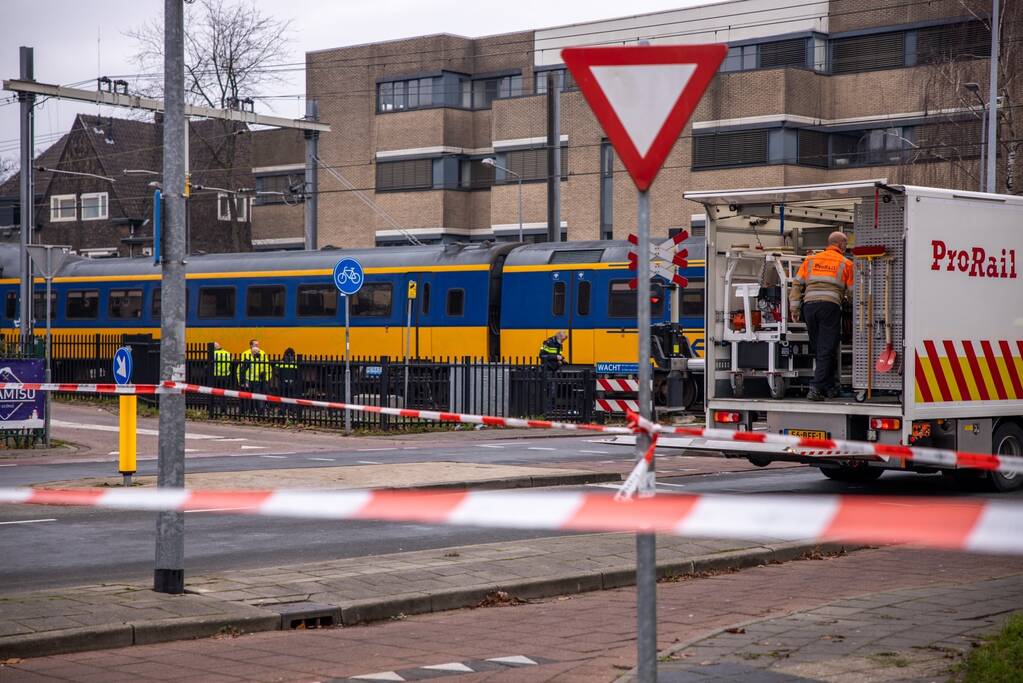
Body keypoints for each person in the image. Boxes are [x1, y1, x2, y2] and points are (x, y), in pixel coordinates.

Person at [790, 231, 853, 401]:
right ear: (840, 244)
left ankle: (829, 387)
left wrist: (795, 309)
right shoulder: (846, 263)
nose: (846, 247)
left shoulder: (810, 260)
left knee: (820, 348)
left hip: (809, 307)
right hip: (829, 307)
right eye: (845, 243)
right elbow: (853, 291)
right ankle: (816, 388)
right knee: (827, 348)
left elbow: (797, 285)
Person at [237, 339, 273, 416]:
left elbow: (267, 367)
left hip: (259, 380)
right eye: (255, 344)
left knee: (259, 397)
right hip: (248, 380)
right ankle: (250, 411)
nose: (257, 346)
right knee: (248, 397)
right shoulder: (245, 354)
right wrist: (242, 380)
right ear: (251, 345)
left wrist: (266, 378)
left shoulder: (262, 353)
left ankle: (260, 412)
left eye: (258, 344)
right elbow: (241, 368)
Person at [539, 331, 568, 415]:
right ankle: (547, 410)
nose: (563, 342)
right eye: (562, 340)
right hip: (547, 369)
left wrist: (561, 360)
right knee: (549, 390)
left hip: (555, 369)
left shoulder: (560, 345)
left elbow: (558, 356)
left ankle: (550, 409)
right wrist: (556, 357)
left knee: (554, 390)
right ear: (558, 337)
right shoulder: (547, 342)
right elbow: (542, 355)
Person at [276, 347, 300, 420]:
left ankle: (282, 411)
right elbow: (298, 374)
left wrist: (281, 378)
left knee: (282, 397)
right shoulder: (295, 363)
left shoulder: (281, 362)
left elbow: (276, 373)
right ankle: (292, 411)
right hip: (292, 383)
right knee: (292, 397)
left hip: (282, 383)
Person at [210, 342, 232, 417]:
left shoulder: (214, 354)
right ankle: (224, 409)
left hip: (216, 375)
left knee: (213, 392)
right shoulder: (227, 353)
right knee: (224, 393)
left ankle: (212, 409)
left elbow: (211, 364)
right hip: (226, 375)